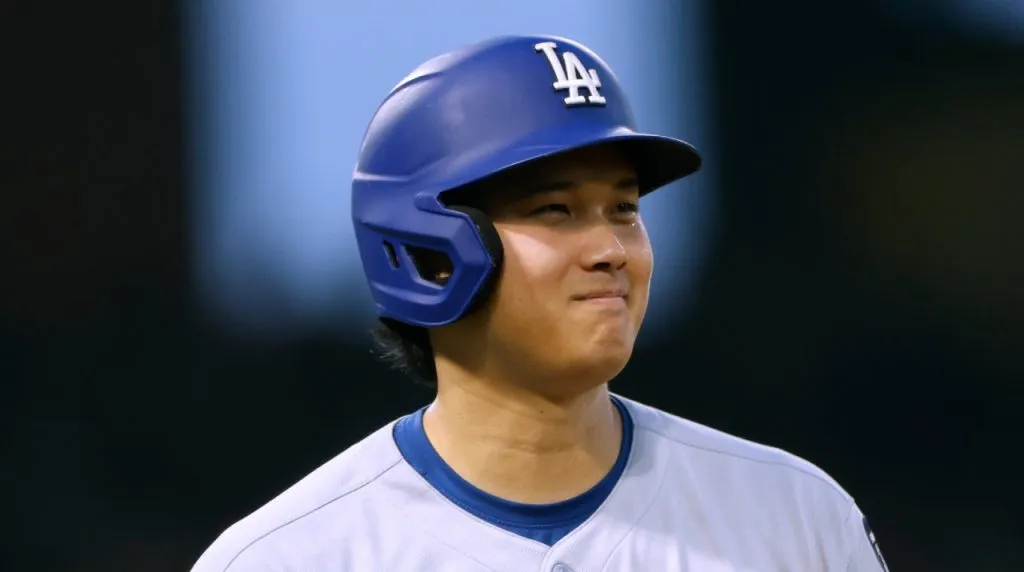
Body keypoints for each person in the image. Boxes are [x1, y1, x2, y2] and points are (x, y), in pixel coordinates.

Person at [190, 34, 890, 572]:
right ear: (430, 252)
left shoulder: (796, 518)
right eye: (555, 210)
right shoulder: (291, 557)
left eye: (624, 209)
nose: (611, 249)